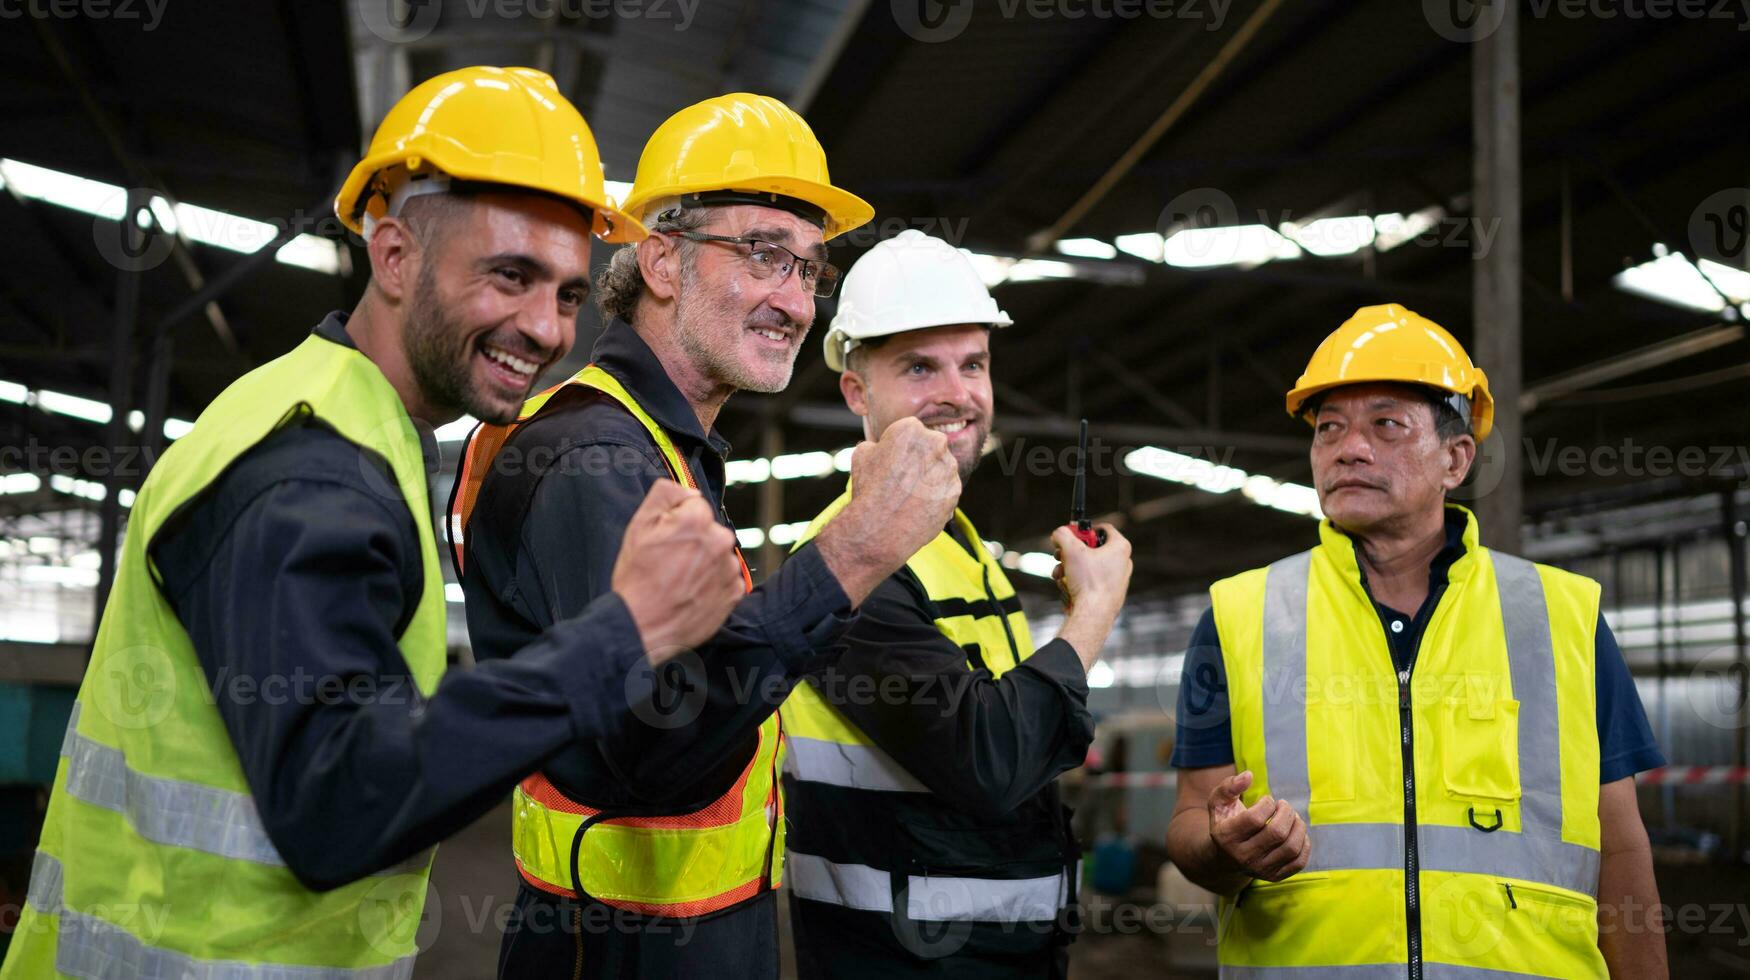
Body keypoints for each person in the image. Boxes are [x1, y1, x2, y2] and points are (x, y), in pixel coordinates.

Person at [0, 66, 749, 978]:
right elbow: (343, 801)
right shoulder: (309, 470)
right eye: (509, 275)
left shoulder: (347, 423)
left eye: (564, 293)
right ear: (393, 256)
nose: (547, 329)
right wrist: (622, 634)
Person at [453, 97, 962, 978]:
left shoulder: (667, 455)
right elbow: (659, 738)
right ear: (659, 260)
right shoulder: (591, 457)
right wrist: (854, 550)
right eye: (764, 253)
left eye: (810, 271)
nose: (794, 302)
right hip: (610, 950)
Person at [1165, 304, 1668, 978]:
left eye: (1386, 424)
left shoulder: (1560, 616)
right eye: (1329, 428)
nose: (1349, 447)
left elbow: (1623, 845)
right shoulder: (1239, 616)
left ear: (1455, 458)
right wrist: (1225, 851)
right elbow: (1191, 823)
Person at [779, 230, 1135, 978]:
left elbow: (1022, 750)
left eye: (973, 364)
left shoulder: (965, 551)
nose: (958, 393)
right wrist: (1093, 612)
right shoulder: (846, 563)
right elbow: (992, 761)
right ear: (856, 392)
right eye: (919, 367)